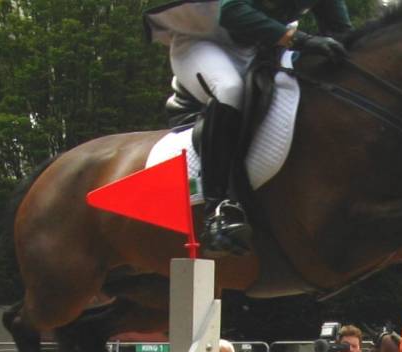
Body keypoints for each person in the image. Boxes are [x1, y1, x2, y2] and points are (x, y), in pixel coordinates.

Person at [142, 0, 350, 255]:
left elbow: (340, 31)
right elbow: (231, 11)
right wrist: (303, 41)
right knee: (230, 89)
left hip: (262, 46)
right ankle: (217, 209)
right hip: (205, 41)